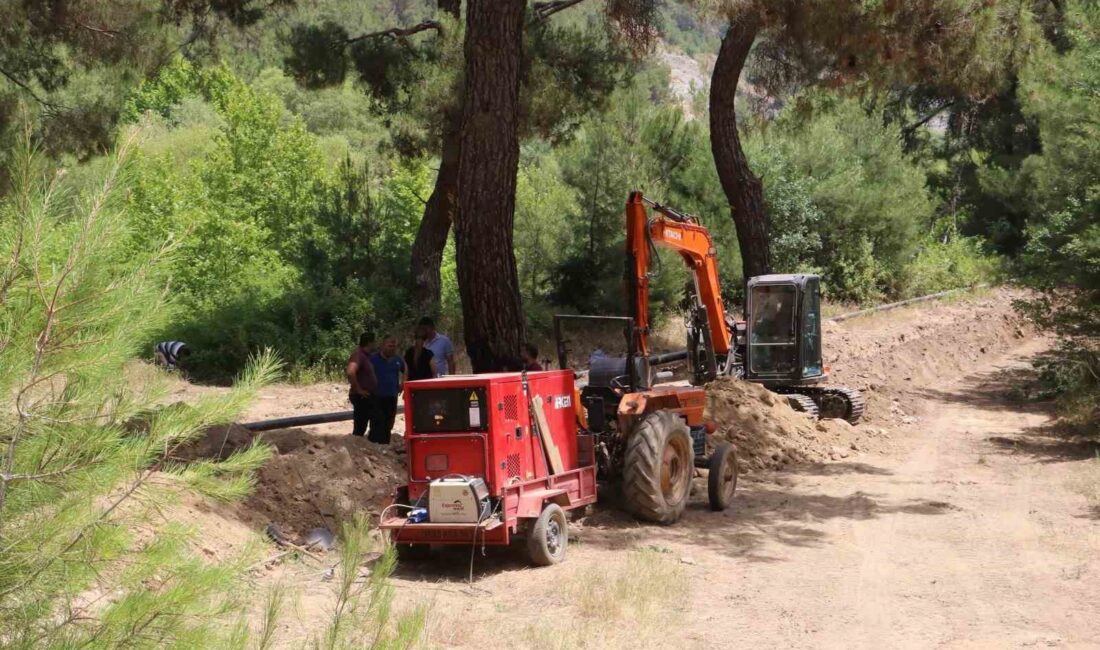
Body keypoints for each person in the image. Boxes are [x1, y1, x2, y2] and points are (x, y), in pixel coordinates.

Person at [368, 335, 405, 444]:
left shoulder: (397, 360)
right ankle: (374, 444)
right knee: (377, 421)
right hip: (377, 395)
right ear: (383, 345)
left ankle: (385, 444)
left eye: (394, 346)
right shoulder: (373, 358)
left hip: (392, 395)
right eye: (389, 345)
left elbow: (405, 369)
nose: (392, 348)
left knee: (389, 422)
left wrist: (403, 384)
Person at [346, 332, 378, 437]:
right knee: (360, 427)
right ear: (370, 343)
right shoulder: (358, 355)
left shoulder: (367, 356)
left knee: (372, 423)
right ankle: (355, 447)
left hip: (368, 395)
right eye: (374, 342)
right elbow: (351, 372)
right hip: (362, 397)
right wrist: (358, 390)